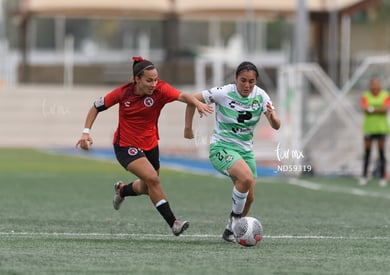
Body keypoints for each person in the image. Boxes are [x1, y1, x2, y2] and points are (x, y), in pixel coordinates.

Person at [76, 56, 213, 236]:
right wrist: (86, 132)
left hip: (150, 145)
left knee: (148, 186)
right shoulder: (122, 92)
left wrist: (197, 103)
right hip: (125, 145)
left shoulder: (161, 89)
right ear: (136, 79)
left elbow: (182, 96)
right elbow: (96, 107)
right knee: (153, 179)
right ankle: (174, 223)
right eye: (149, 80)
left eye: (155, 79)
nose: (153, 84)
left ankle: (122, 190)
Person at [184, 61, 281, 242]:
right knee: (246, 178)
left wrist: (274, 118)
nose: (247, 85)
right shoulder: (224, 93)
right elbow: (191, 99)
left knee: (249, 197)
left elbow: (276, 125)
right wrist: (188, 128)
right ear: (236, 79)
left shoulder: (261, 96)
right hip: (221, 148)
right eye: (243, 80)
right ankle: (236, 221)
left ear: (256, 81)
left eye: (251, 81)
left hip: (245, 152)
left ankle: (230, 231)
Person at [359, 77, 390, 187]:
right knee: (367, 153)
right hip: (369, 128)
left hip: (381, 128)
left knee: (381, 153)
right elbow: (364, 109)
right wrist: (378, 108)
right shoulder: (365, 96)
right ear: (370, 85)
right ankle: (364, 176)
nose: (375, 86)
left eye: (377, 83)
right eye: (373, 83)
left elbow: (385, 109)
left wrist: (372, 109)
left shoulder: (385, 95)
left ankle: (382, 177)